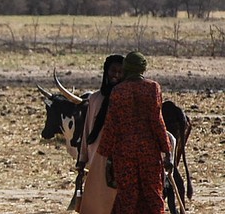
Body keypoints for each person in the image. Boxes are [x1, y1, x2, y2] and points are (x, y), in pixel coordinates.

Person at [97, 51, 173, 214]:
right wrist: (167, 152)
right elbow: (157, 122)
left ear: (126, 68)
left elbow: (111, 125)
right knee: (153, 196)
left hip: (124, 153)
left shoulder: (118, 91)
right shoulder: (153, 88)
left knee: (127, 197)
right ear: (143, 68)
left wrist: (104, 154)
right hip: (149, 153)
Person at [74, 54, 123, 213]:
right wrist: (81, 161)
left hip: (118, 159)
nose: (115, 75)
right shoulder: (95, 99)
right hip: (95, 158)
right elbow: (87, 129)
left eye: (120, 72)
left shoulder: (125, 99)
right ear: (106, 72)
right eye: (112, 70)